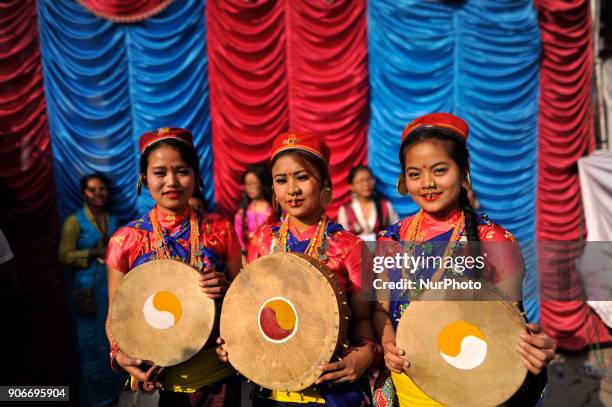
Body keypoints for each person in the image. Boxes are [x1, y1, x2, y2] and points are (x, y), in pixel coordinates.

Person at [372, 113, 556, 406]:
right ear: (403, 179)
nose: (427, 183)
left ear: (463, 170)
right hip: (407, 388)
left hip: (470, 389)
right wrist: (388, 344)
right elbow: (381, 311)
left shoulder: (493, 241)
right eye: (415, 174)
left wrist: (534, 347)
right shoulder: (390, 240)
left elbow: (509, 326)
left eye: (439, 170)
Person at [217, 132, 377, 406]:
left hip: (334, 391)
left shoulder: (350, 247)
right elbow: (253, 311)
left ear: (325, 183)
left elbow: (363, 318)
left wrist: (365, 355)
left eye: (302, 177)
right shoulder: (262, 241)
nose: (291, 189)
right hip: (272, 390)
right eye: (281, 180)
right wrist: (234, 340)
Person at [105, 127, 242, 406]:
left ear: (196, 176)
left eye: (181, 171)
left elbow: (243, 306)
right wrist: (119, 354)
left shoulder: (220, 228)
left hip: (216, 379)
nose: (171, 181)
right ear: (144, 178)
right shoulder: (126, 239)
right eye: (159, 172)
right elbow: (115, 317)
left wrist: (228, 289)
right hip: (156, 381)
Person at [59, 173, 124, 406]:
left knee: (113, 343)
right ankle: (95, 400)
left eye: (102, 189)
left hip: (110, 291)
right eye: (93, 190)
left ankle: (116, 394)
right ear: (84, 193)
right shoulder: (74, 221)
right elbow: (64, 255)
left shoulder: (114, 219)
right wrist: (92, 253)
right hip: (87, 293)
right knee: (91, 350)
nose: (98, 194)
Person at [337, 165, 399, 242]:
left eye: (369, 179)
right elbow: (342, 240)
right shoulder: (345, 211)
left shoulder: (385, 206)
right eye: (361, 181)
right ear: (351, 186)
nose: (366, 184)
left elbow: (397, 232)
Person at [234, 164, 276, 260]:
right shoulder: (242, 213)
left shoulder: (275, 209)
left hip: (274, 256)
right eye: (247, 184)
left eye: (254, 183)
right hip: (251, 259)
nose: (250, 188)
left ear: (263, 183)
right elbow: (239, 240)